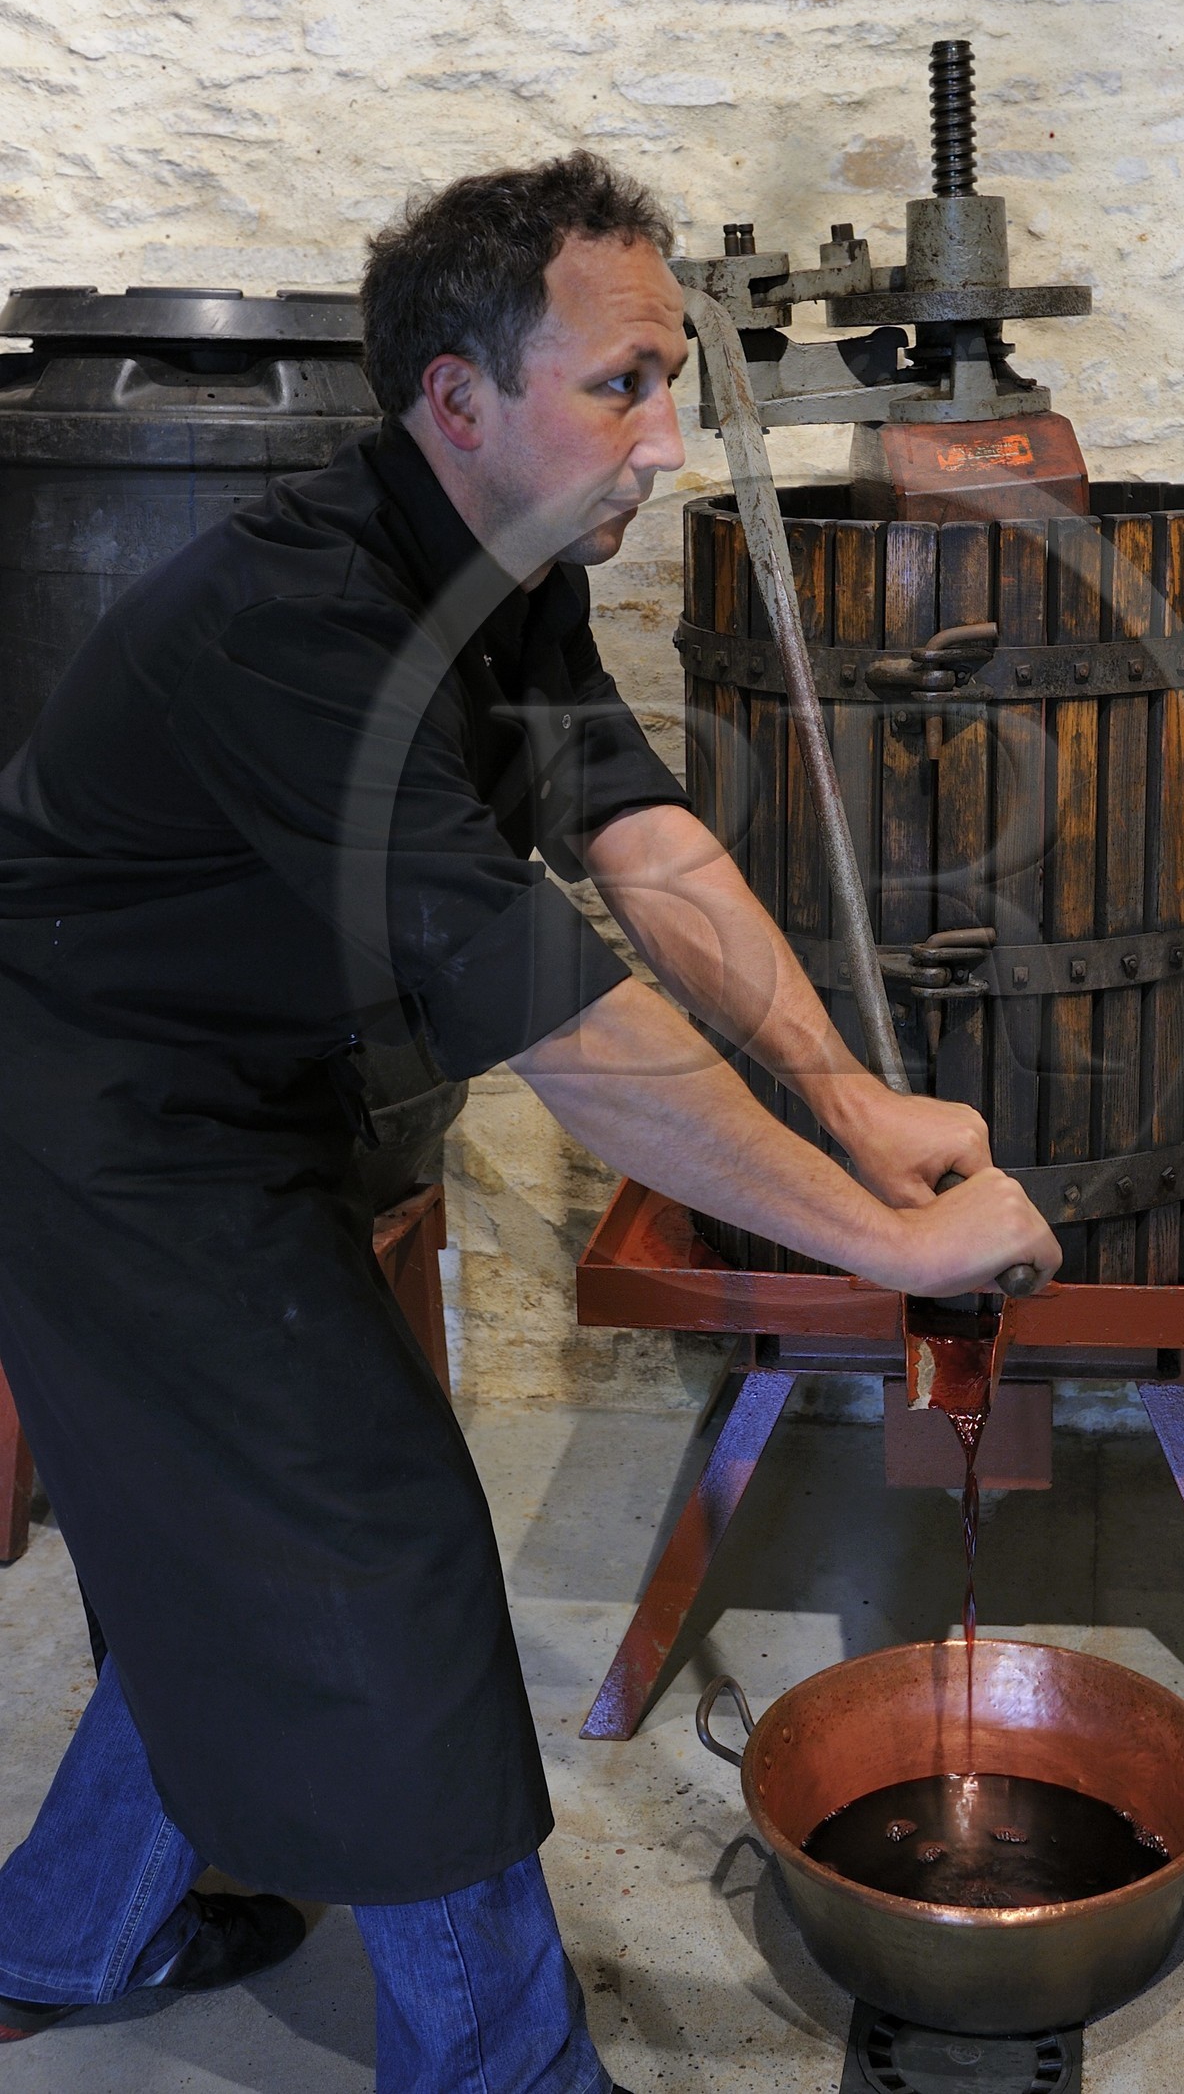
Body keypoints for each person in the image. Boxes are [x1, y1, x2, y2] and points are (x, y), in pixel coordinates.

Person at [0, 157, 1058, 2089]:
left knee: (214, 1531)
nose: (665, 436)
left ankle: (60, 1928)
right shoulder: (297, 626)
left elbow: (643, 848)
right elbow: (564, 1020)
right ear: (459, 398)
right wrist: (885, 1240)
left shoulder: (503, 570)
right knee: (364, 1548)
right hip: (92, 1128)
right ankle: (506, 2066)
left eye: (670, 380)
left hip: (237, 1097)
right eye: (625, 382)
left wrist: (851, 1099)